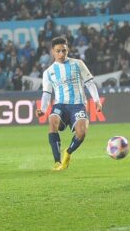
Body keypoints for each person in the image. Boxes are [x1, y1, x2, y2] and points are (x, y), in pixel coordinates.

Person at [35, 36, 102, 171]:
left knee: (81, 133)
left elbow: (90, 83)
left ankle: (68, 152)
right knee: (52, 120)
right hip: (60, 105)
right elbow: (47, 93)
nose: (61, 54)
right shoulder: (48, 72)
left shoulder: (78, 64)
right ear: (52, 52)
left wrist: (97, 101)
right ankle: (57, 161)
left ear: (68, 50)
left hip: (78, 105)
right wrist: (42, 109)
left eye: (64, 51)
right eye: (58, 51)